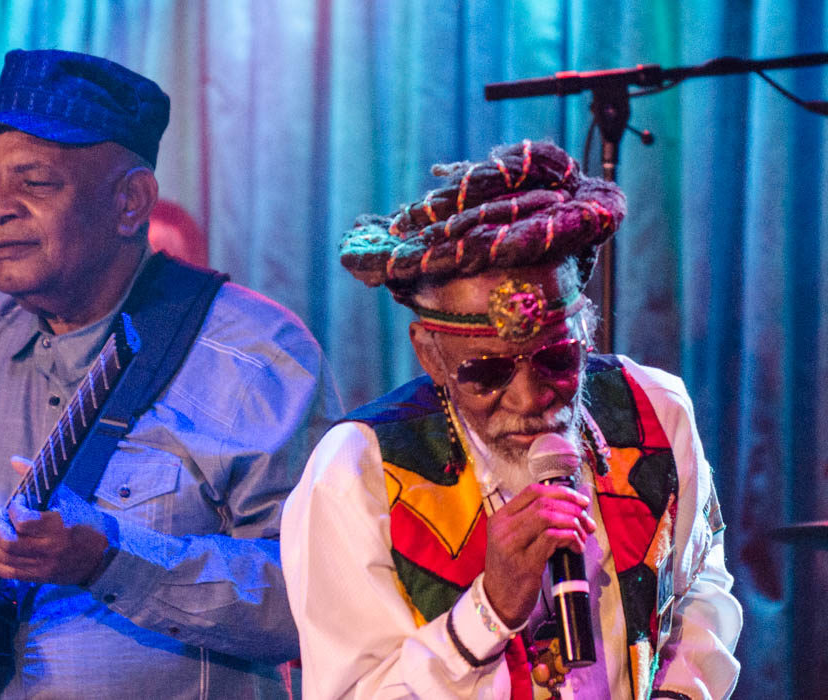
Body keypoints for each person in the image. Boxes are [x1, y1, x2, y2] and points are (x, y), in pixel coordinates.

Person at [0, 49, 341, 699]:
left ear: (130, 202)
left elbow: (326, 599)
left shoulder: (257, 357)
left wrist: (108, 558)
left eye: (34, 183)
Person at [282, 141, 742, 699]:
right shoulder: (359, 473)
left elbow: (699, 589)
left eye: (556, 360)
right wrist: (489, 609)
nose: (529, 399)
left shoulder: (655, 412)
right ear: (431, 355)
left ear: (586, 334)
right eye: (487, 372)